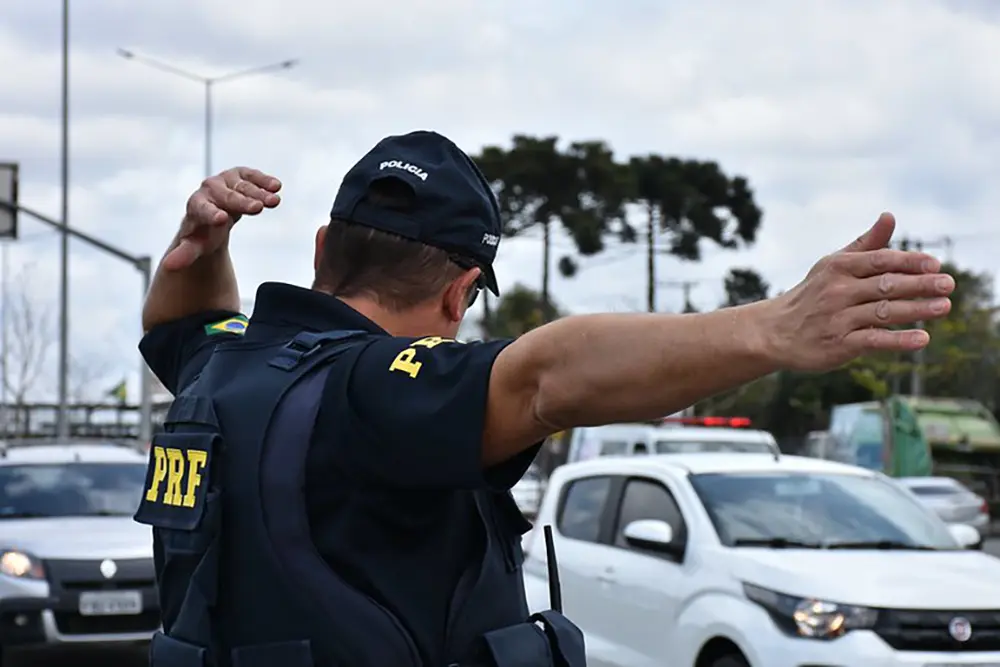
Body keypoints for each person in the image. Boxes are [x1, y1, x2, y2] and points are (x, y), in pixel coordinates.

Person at [135, 130, 955, 667]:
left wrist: (200, 241)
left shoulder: (223, 371)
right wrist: (772, 328)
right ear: (458, 293)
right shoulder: (376, 392)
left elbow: (181, 320)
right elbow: (547, 377)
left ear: (323, 248)